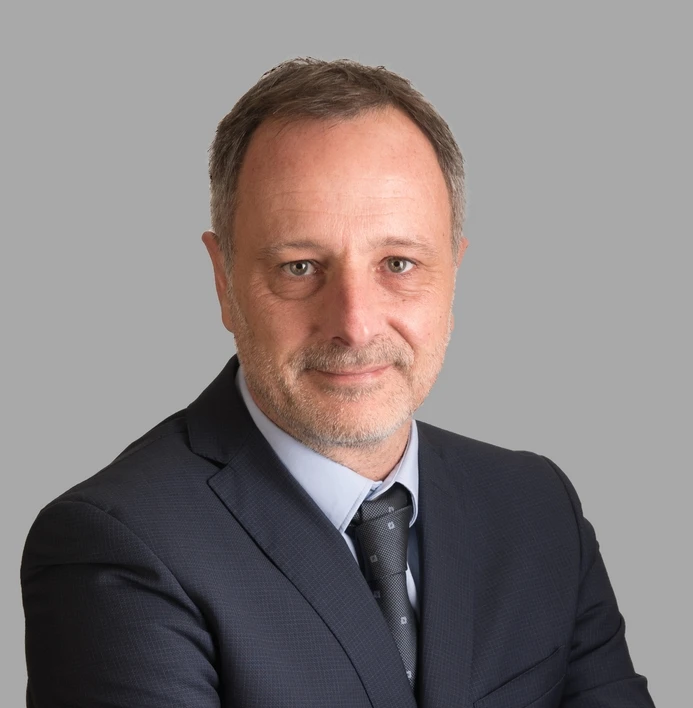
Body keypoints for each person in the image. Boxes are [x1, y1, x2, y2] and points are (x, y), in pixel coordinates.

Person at [21, 57, 655, 708]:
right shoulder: (118, 546)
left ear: (453, 275)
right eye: (300, 267)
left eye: (399, 264)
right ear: (224, 281)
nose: (354, 324)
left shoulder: (536, 510)